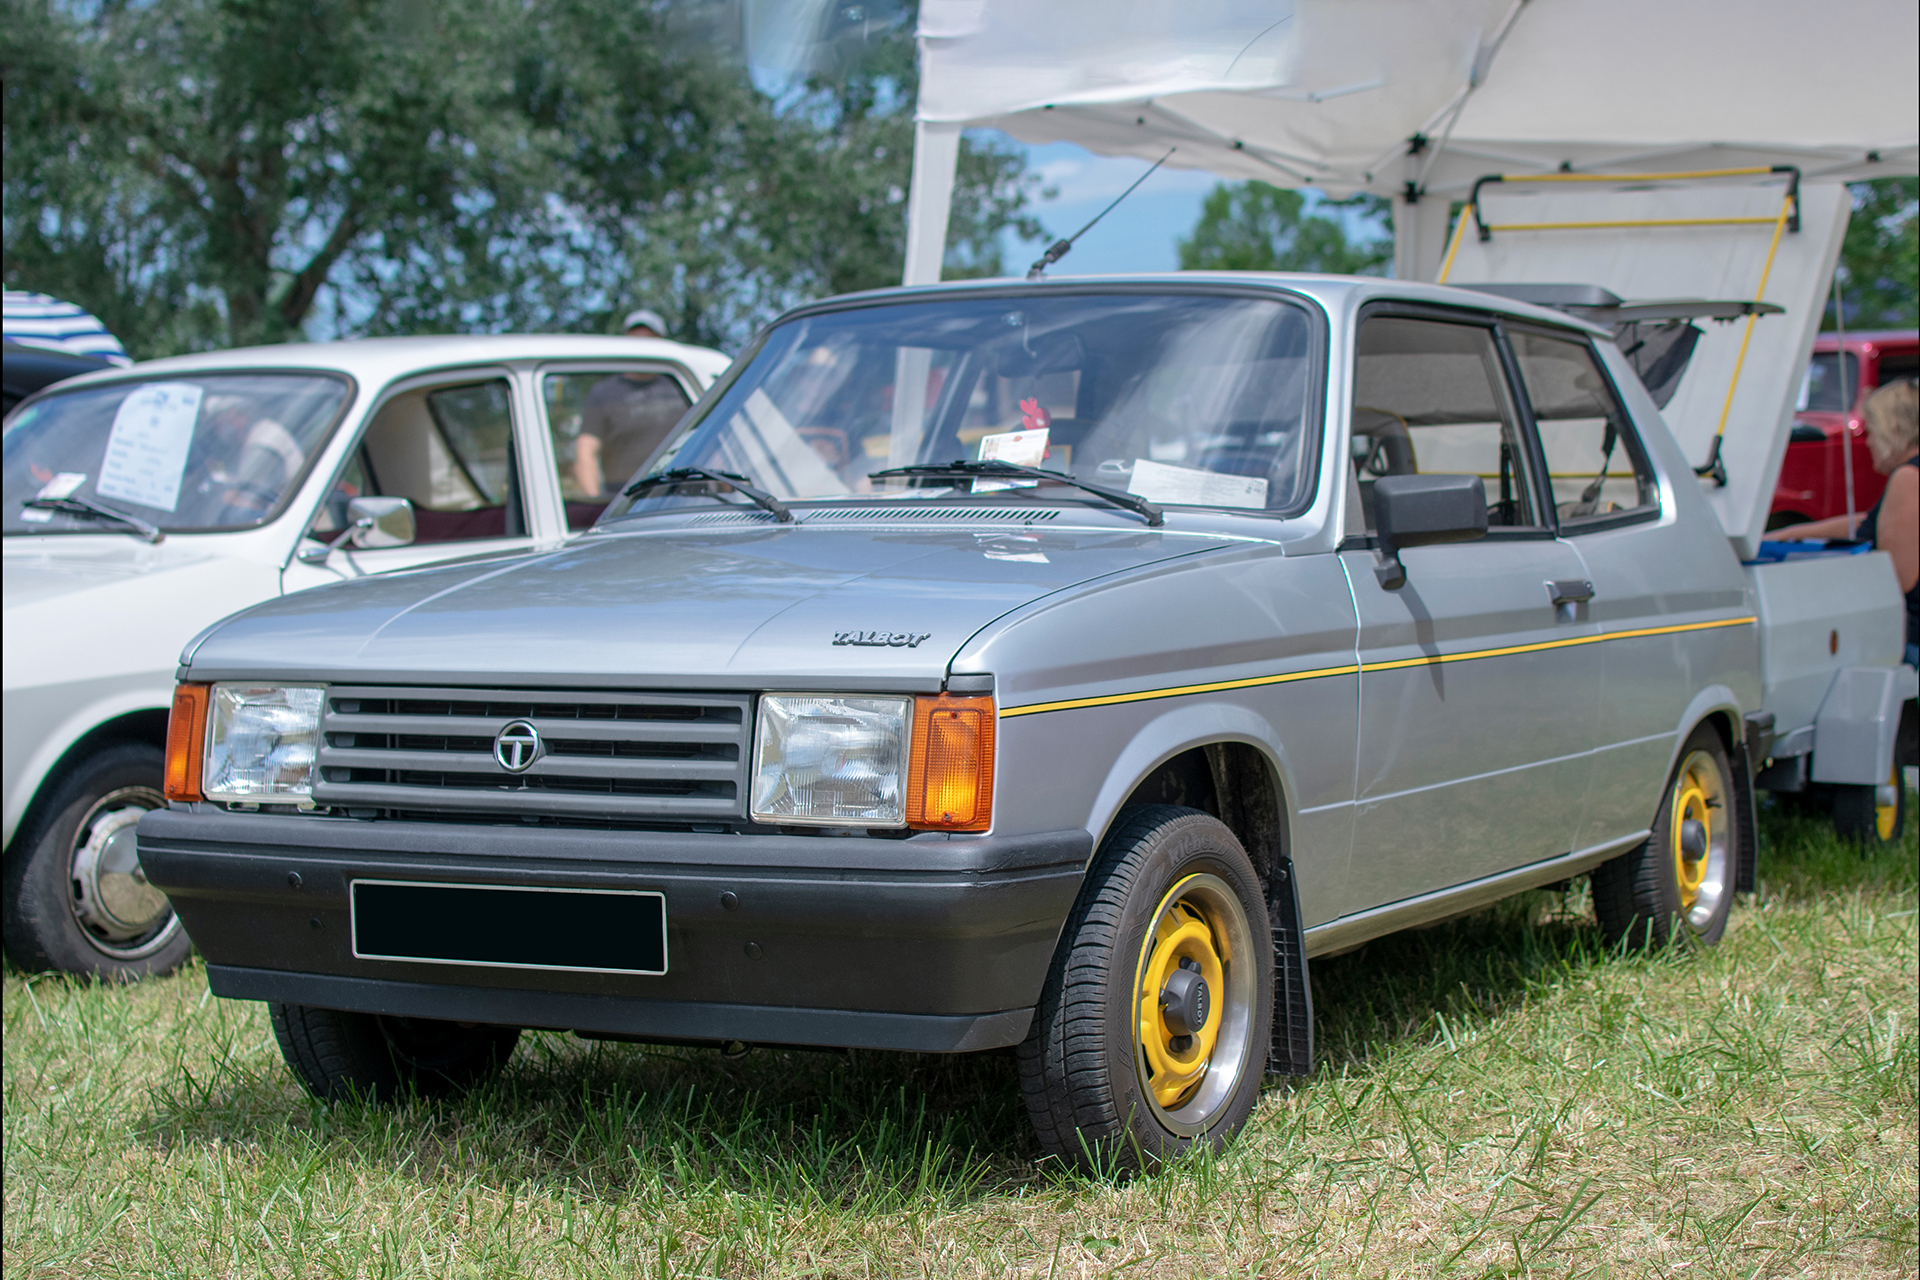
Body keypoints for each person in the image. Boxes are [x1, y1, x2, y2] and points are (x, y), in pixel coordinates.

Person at [1772, 378, 1919, 666]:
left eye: (1872, 432)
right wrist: (1790, 533)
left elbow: (1896, 577)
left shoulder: (1908, 478)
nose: (1869, 443)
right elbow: (1872, 522)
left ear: (1894, 430)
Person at [571, 308, 690, 499]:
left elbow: (712, 439)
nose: (642, 345)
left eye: (649, 339)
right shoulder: (603, 393)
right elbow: (586, 451)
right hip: (627, 501)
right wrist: (595, 505)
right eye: (635, 338)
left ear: (662, 342)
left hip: (683, 497)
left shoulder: (682, 384)